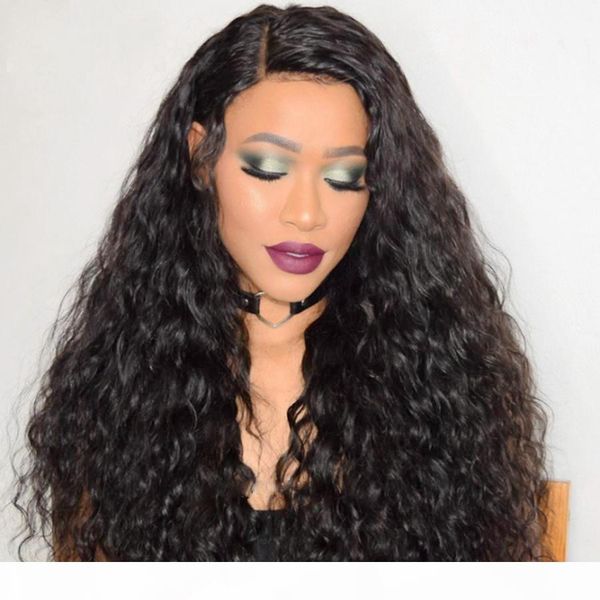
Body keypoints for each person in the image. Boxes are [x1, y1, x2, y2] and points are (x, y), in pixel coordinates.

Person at [11, 3, 551, 561]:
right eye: (268, 169)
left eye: (344, 177)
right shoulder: (122, 382)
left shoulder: (436, 382)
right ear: (200, 158)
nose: (307, 214)